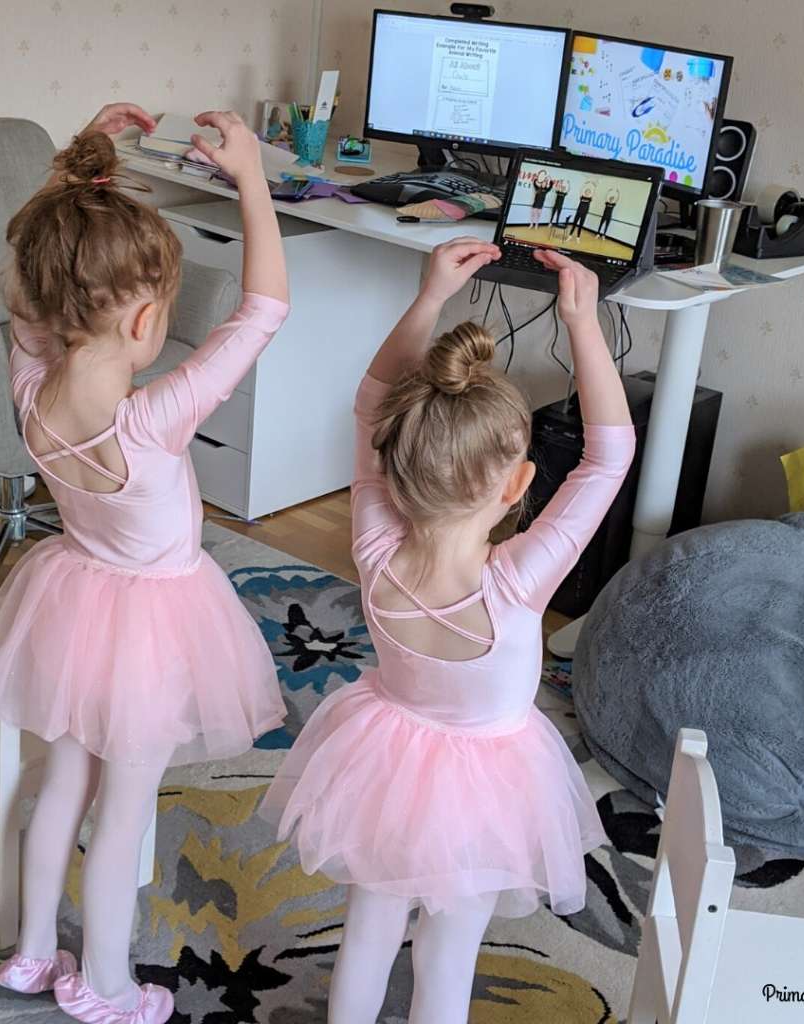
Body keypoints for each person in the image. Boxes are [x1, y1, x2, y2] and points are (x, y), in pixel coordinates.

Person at [0, 103, 289, 1024]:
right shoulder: (153, 419)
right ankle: (103, 983)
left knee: (61, 778)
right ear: (150, 317)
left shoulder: (31, 377)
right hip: (151, 627)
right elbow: (264, 308)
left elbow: (32, 273)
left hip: (71, 603)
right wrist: (253, 180)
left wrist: (75, 176)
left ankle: (34, 951)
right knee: (123, 806)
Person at [261, 238, 636, 1024]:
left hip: (384, 765)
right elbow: (608, 457)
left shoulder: (373, 547)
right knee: (447, 950)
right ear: (520, 484)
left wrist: (428, 296)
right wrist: (582, 320)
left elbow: (369, 404)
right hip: (487, 792)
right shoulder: (518, 580)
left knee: (367, 930)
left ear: (392, 467)